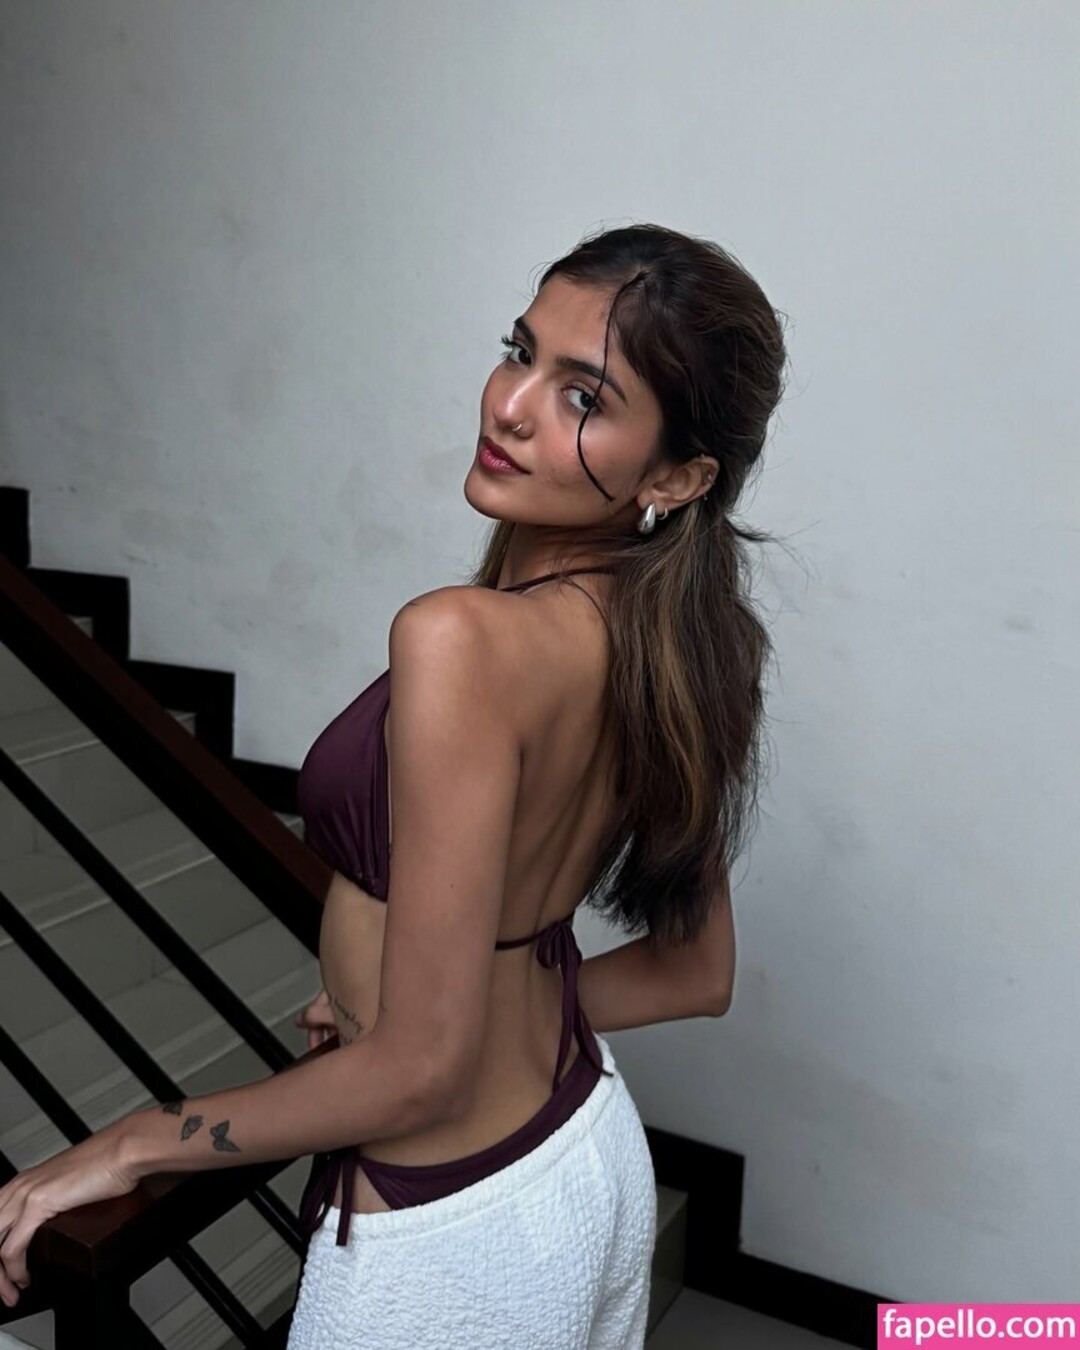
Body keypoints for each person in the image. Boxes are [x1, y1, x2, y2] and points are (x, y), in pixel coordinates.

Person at [0, 223, 786, 1348]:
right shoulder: (693, 647)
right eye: (519, 352)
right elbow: (692, 972)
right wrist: (431, 989)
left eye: (583, 396)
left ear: (678, 475)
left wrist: (132, 1141)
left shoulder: (463, 640)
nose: (510, 406)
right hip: (584, 1151)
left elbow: (420, 1073)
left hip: (454, 1236)